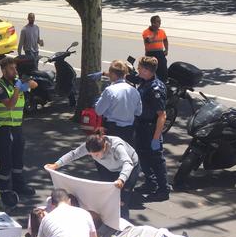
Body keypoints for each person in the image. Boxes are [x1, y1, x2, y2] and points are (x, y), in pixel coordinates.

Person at [46, 131, 140, 219]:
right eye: (92, 155)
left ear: (104, 147)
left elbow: (128, 163)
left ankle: (123, 224)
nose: (94, 157)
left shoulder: (117, 146)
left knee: (121, 201)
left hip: (130, 168)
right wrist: (56, 164)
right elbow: (74, 154)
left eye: (97, 154)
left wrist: (122, 179)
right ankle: (107, 220)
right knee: (105, 195)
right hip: (109, 169)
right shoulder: (90, 145)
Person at [0, 57, 37, 196]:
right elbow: (10, 104)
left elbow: (35, 84)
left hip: (17, 127)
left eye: (15, 68)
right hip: (4, 128)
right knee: (6, 160)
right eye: (12, 69)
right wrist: (18, 88)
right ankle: (4, 189)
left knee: (18, 159)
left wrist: (25, 82)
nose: (15, 71)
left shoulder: (15, 82)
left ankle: (19, 186)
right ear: (4, 70)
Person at [135, 56, 169, 200]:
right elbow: (132, 77)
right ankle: (151, 182)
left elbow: (162, 116)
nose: (138, 70)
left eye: (140, 68)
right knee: (143, 156)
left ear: (147, 70)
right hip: (141, 127)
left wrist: (156, 138)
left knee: (156, 160)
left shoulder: (155, 89)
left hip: (151, 128)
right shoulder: (145, 81)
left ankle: (163, 189)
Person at [93, 60, 142, 144]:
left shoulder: (110, 90)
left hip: (112, 130)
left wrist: (97, 101)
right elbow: (138, 112)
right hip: (129, 131)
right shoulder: (134, 91)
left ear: (112, 74)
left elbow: (98, 111)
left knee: (110, 155)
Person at [142, 15, 168, 81]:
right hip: (150, 55)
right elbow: (148, 41)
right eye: (158, 22)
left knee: (163, 70)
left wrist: (166, 49)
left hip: (160, 53)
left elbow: (165, 40)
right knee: (151, 71)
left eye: (160, 22)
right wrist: (155, 33)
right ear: (153, 23)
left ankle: (163, 83)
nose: (160, 23)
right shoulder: (146, 32)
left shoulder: (162, 31)